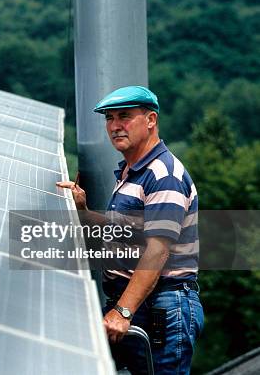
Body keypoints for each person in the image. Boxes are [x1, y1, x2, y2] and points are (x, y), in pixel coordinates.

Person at [57, 86, 203, 374]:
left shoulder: (164, 176)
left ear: (150, 120)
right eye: (109, 119)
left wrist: (123, 311)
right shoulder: (132, 171)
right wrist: (83, 212)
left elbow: (157, 251)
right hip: (141, 303)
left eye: (125, 117)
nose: (115, 126)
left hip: (163, 305)